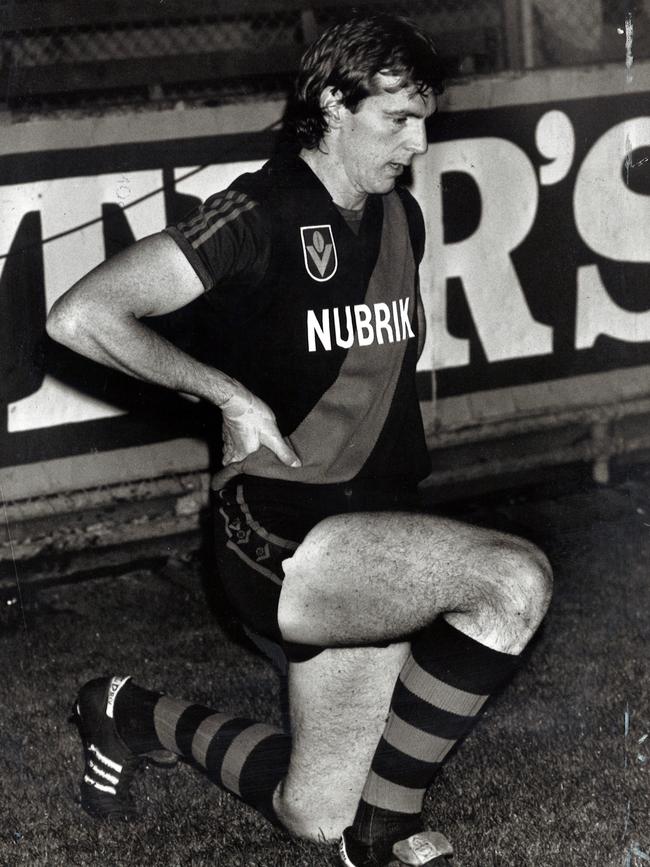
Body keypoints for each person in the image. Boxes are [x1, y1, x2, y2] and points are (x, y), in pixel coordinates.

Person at [47, 13, 552, 867]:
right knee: (512, 580)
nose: (419, 142)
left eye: (425, 118)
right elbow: (82, 314)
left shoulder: (399, 216)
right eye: (398, 119)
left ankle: (128, 710)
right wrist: (225, 392)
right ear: (331, 103)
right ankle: (383, 835)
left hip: (369, 531)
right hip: (280, 536)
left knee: (315, 810)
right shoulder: (256, 212)